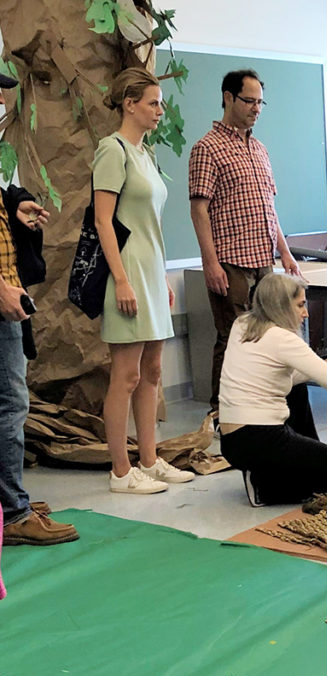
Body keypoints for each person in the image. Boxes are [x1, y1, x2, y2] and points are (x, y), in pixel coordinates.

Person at [93, 68, 194, 495]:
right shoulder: (111, 150)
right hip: (127, 269)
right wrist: (121, 279)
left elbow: (151, 221)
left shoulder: (145, 153)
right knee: (127, 374)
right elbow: (103, 220)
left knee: (153, 369)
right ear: (129, 104)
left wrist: (161, 276)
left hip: (151, 270)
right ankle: (120, 471)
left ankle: (150, 460)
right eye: (152, 102)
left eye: (160, 102)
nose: (159, 110)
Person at [189, 68, 302, 412]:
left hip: (263, 260)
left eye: (260, 102)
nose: (256, 108)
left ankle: (261, 407)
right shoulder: (206, 148)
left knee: (269, 336)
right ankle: (222, 414)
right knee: (233, 338)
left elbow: (269, 207)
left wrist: (285, 252)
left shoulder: (260, 149)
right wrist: (210, 263)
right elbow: (199, 210)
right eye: (249, 101)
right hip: (229, 261)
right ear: (228, 98)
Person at [0, 72, 79, 544]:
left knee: (10, 403)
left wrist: (17, 212)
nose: (3, 99)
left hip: (9, 299)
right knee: (10, 405)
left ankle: (10, 499)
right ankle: (13, 513)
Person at [218, 273, 327, 506]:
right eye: (301, 305)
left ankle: (277, 468)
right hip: (260, 438)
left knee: (297, 388)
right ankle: (266, 487)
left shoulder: (241, 324)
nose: (306, 313)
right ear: (281, 306)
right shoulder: (282, 338)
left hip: (231, 441)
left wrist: (321, 365)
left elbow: (273, 374)